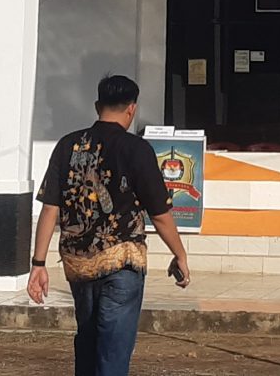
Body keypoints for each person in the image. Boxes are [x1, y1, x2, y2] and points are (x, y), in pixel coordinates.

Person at [27, 75, 193, 376]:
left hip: (78, 266)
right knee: (112, 352)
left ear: (97, 106)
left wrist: (38, 264)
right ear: (132, 109)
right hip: (122, 264)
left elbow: (50, 207)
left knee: (88, 345)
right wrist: (179, 254)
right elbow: (159, 213)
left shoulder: (68, 145)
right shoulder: (136, 149)